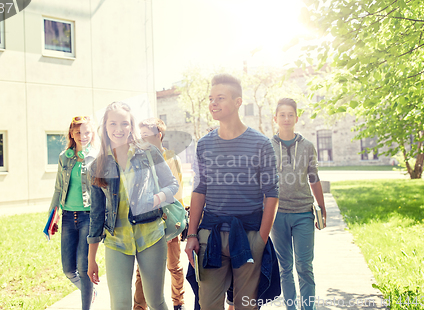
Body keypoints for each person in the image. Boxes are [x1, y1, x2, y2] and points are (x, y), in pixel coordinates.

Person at [184, 73, 280, 310]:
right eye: (211, 98)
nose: (213, 103)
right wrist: (192, 234)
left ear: (238, 102)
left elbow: (272, 193)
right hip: (211, 235)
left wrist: (262, 239)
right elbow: (199, 189)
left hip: (248, 235)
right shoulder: (204, 144)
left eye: (220, 98)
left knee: (246, 305)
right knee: (207, 305)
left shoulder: (260, 144)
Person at [86, 102, 179, 310]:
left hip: (151, 236)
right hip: (117, 242)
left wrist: (155, 199)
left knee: (155, 301)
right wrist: (91, 258)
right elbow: (96, 214)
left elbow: (172, 184)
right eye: (113, 124)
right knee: (120, 305)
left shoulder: (148, 153)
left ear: (131, 126)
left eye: (124, 124)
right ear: (105, 127)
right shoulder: (97, 165)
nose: (119, 129)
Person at [270, 98, 327, 310]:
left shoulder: (308, 146)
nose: (286, 119)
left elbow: (314, 178)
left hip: (303, 213)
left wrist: (321, 207)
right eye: (282, 115)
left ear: (296, 118)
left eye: (290, 115)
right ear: (275, 118)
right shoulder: (267, 146)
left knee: (304, 266)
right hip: (278, 215)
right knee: (285, 267)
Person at [133, 117, 185, 310]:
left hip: (168, 218)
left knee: (174, 265)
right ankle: (139, 306)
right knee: (143, 270)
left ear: (159, 135)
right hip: (147, 221)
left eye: (146, 136)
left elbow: (177, 192)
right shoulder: (140, 157)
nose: (142, 139)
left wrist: (174, 224)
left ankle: (178, 302)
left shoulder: (171, 158)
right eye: (141, 135)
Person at [48, 115, 97, 310]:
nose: (83, 136)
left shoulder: (97, 157)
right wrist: (53, 215)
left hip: (87, 217)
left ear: (92, 133)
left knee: (84, 269)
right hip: (68, 217)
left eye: (86, 132)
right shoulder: (64, 157)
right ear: (72, 133)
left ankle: (86, 303)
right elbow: (58, 188)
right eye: (78, 132)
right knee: (68, 270)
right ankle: (89, 290)